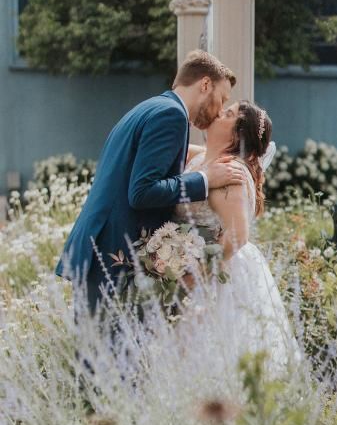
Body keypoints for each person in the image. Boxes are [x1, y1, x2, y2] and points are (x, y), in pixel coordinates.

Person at [55, 50, 246, 313]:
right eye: (222, 99)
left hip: (100, 247)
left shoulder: (152, 107)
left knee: (97, 350)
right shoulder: (172, 117)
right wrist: (204, 179)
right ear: (205, 84)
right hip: (114, 254)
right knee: (113, 351)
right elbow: (142, 191)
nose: (219, 111)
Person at [173, 100, 300, 377]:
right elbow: (178, 153)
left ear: (235, 136)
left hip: (218, 276)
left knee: (209, 359)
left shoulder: (231, 172)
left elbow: (238, 235)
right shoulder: (205, 156)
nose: (219, 112)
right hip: (193, 260)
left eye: (228, 114)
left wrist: (199, 275)